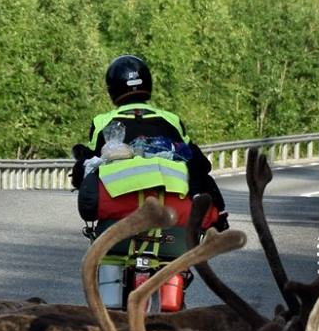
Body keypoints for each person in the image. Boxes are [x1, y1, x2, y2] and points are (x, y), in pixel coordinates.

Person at [72, 54, 227, 230]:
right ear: (148, 83)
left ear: (112, 89)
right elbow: (199, 162)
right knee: (202, 176)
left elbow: (89, 162)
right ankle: (220, 220)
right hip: (172, 202)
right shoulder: (171, 119)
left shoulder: (102, 122)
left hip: (120, 201)